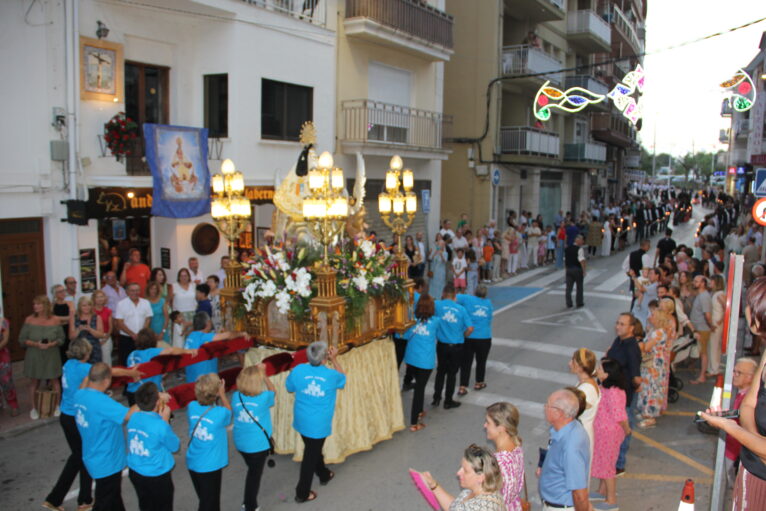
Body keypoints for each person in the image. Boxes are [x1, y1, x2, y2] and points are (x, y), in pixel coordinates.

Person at [44, 339, 139, 511]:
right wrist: (145, 395)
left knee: (81, 459)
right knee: (104, 496)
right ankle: (78, 499)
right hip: (106, 461)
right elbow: (127, 414)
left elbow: (86, 382)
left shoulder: (76, 383)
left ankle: (79, 498)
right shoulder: (100, 401)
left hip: (70, 417)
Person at [701, 278, 766, 509]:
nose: (746, 309)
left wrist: (730, 427)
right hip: (752, 469)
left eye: (751, 304)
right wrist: (756, 441)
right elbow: (749, 404)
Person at [74, 362, 139, 511]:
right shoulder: (103, 403)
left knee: (114, 497)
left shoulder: (80, 394)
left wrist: (125, 373)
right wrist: (149, 399)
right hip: (107, 461)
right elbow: (129, 415)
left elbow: (87, 378)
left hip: (92, 456)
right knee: (104, 502)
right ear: (107, 381)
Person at [286, 341, 346, 503]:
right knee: (310, 456)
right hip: (318, 423)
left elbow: (289, 387)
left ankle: (324, 474)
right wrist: (335, 360)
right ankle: (302, 493)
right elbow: (343, 378)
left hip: (302, 419)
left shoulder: (298, 370)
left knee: (313, 448)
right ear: (324, 358)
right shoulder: (330, 375)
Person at [126, 382, 178, 511]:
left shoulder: (134, 417)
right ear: (157, 403)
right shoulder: (160, 425)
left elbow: (139, 406)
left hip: (135, 470)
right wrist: (165, 420)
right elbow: (175, 446)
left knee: (145, 504)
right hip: (156, 475)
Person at [232, 364, 275, 511]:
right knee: (254, 476)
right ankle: (250, 505)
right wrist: (265, 375)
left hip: (240, 441)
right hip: (257, 445)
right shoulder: (263, 397)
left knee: (252, 468)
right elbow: (273, 391)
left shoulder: (235, 396)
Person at [538, 389, 590, 510]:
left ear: (558, 413)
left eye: (548, 405)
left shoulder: (571, 447)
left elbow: (579, 495)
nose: (545, 408)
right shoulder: (570, 428)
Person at [186, 373, 232, 511]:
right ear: (217, 392)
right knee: (208, 504)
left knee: (206, 499)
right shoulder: (220, 413)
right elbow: (229, 413)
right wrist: (223, 394)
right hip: (210, 466)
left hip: (193, 461)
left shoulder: (191, 406)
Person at [590, 359, 630, 510]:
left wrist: (627, 430)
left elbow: (620, 416)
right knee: (603, 462)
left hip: (609, 433)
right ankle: (601, 491)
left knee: (607, 466)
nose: (597, 370)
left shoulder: (613, 392)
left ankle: (611, 500)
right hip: (602, 432)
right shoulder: (604, 387)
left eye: (600, 369)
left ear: (607, 374)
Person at [606, 313, 642, 476]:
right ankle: (612, 458)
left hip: (624, 396)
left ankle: (619, 464)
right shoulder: (619, 341)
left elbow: (636, 376)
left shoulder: (631, 348)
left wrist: (635, 386)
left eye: (622, 324)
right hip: (612, 394)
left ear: (631, 328)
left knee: (624, 429)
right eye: (617, 323)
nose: (618, 326)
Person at [420, 444, 506, 511]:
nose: (458, 473)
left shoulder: (478, 508)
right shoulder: (480, 488)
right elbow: (455, 507)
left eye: (465, 470)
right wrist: (433, 485)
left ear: (481, 477)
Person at [21, 295, 64, 420]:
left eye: (38, 304)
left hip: (51, 354)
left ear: (45, 306)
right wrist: (36, 344)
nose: (35, 306)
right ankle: (33, 408)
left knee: (54, 380)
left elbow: (61, 338)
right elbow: (22, 339)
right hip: (34, 354)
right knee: (34, 381)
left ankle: (57, 405)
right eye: (34, 304)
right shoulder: (29, 320)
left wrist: (52, 344)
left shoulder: (55, 320)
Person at [403, 294, 442, 432]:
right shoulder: (436, 321)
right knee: (420, 390)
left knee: (419, 387)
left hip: (411, 360)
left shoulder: (412, 320)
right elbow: (440, 336)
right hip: (425, 362)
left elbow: (405, 336)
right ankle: (414, 423)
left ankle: (419, 412)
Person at [126, 327, 196, 404]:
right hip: (147, 394)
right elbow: (171, 350)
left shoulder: (131, 354)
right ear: (153, 340)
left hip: (132, 393)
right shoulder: (152, 352)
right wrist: (187, 351)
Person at [433, 284, 474, 409]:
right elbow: (470, 328)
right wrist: (464, 335)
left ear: (443, 293)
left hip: (442, 345)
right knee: (452, 374)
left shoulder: (437, 305)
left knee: (440, 371)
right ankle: (448, 400)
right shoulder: (461, 309)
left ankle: (436, 398)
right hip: (456, 345)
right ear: (455, 295)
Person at [636, 300, 673, 429]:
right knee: (647, 388)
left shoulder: (658, 332)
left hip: (654, 365)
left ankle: (650, 416)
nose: (649, 317)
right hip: (651, 363)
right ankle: (646, 412)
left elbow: (647, 347)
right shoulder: (655, 330)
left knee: (651, 389)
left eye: (652, 315)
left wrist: (638, 344)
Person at [723, 358, 757, 488]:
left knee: (735, 487)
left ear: (750, 378)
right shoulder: (744, 394)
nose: (734, 375)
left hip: (735, 452)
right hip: (734, 451)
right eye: (734, 371)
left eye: (739, 373)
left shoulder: (747, 401)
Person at [485, 402, 525, 511]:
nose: (485, 425)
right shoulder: (516, 446)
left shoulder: (499, 462)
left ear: (501, 428)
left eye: (488, 423)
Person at [184, 311, 244, 384]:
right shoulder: (203, 337)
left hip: (191, 379)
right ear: (208, 323)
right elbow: (228, 335)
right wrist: (242, 333)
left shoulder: (191, 336)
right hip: (205, 382)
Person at [458, 285, 494, 395]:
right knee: (481, 362)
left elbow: (455, 297)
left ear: (474, 292)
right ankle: (479, 382)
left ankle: (463, 387)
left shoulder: (467, 298)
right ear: (485, 294)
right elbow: (489, 319)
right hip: (484, 337)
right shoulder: (488, 304)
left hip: (469, 336)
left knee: (466, 363)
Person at [569, 348, 599, 476]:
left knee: (578, 474)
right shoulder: (585, 383)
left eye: (573, 361)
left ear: (580, 367)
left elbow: (572, 411)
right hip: (581, 431)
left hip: (581, 434)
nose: (569, 363)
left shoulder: (586, 389)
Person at [114, 283, 153, 366]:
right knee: (126, 361)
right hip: (126, 338)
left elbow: (148, 318)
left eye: (137, 290)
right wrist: (132, 334)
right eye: (132, 290)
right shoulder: (121, 304)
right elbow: (120, 322)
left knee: (143, 361)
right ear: (127, 292)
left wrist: (142, 333)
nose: (135, 292)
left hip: (142, 338)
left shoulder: (145, 302)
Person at [689, 275, 712, 384]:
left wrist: (710, 325)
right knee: (700, 351)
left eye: (697, 281)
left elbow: (707, 314)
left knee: (703, 352)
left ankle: (702, 375)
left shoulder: (704, 296)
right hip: (698, 327)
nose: (694, 283)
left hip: (702, 328)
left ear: (703, 283)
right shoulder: (700, 295)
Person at [69, 296, 104, 363]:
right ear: (79, 306)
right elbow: (71, 337)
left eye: (89, 305)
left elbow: (101, 335)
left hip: (94, 349)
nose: (87, 307)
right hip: (79, 351)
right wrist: (78, 330)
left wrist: (90, 329)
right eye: (84, 305)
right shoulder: (74, 318)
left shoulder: (97, 317)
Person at [0, 314, 19, 416]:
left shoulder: (4, 322)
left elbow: (5, 339)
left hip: (2, 355)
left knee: (6, 381)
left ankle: (13, 405)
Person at [708, 274, 726, 377]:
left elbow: (726, 308)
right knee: (714, 346)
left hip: (716, 322)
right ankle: (713, 367)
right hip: (716, 321)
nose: (710, 283)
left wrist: (720, 321)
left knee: (714, 346)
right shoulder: (715, 294)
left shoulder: (719, 294)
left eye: (712, 281)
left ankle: (714, 369)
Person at [92, 290, 114, 366]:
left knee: (106, 361)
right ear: (94, 299)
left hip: (105, 337)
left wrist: (105, 339)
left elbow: (110, 327)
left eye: (101, 296)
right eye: (97, 297)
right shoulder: (91, 311)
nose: (100, 299)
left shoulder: (108, 311)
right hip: (94, 337)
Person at [564, 235, 586, 309]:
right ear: (578, 241)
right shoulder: (579, 249)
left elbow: (566, 260)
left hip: (569, 269)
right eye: (582, 240)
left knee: (568, 288)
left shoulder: (567, 248)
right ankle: (579, 302)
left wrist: (566, 269)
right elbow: (582, 260)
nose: (583, 242)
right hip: (577, 269)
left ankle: (569, 303)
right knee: (579, 287)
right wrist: (584, 271)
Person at [430, 235, 448, 300]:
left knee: (441, 284)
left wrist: (441, 254)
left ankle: (440, 296)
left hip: (441, 271)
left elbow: (445, 261)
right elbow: (431, 259)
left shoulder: (445, 253)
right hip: (435, 271)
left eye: (441, 244)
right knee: (434, 284)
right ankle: (433, 296)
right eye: (439, 244)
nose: (439, 245)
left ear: (443, 245)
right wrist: (435, 253)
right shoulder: (436, 252)